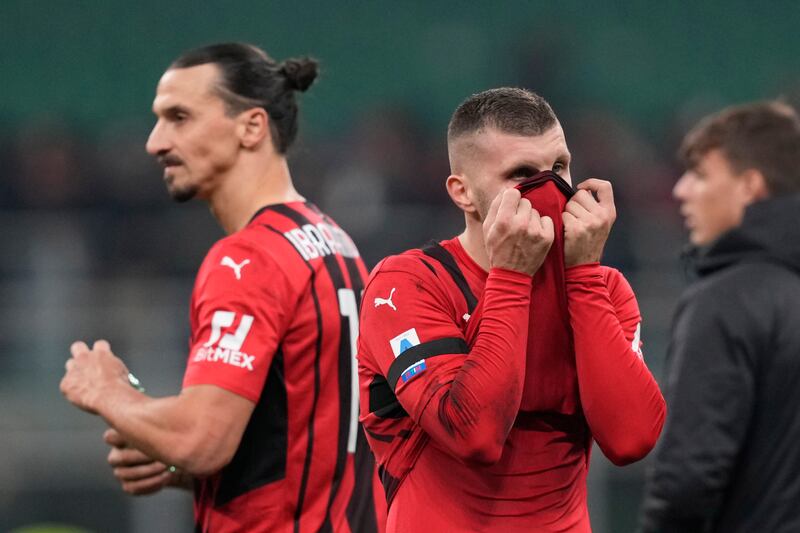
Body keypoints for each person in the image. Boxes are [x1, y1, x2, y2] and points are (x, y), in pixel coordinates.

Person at [60, 43, 386, 533]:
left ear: (251, 127)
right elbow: (301, 445)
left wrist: (108, 393)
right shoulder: (334, 242)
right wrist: (183, 470)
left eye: (179, 117)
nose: (154, 142)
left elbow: (200, 439)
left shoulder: (248, 259)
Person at [357, 87, 666, 532]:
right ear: (463, 192)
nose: (550, 189)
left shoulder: (604, 287)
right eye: (522, 174)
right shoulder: (409, 285)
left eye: (559, 167)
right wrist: (512, 277)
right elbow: (473, 434)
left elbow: (632, 438)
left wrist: (581, 277)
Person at [638, 101, 800, 532]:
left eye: (702, 175)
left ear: (750, 186)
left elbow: (688, 477)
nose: (681, 190)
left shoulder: (725, 301)